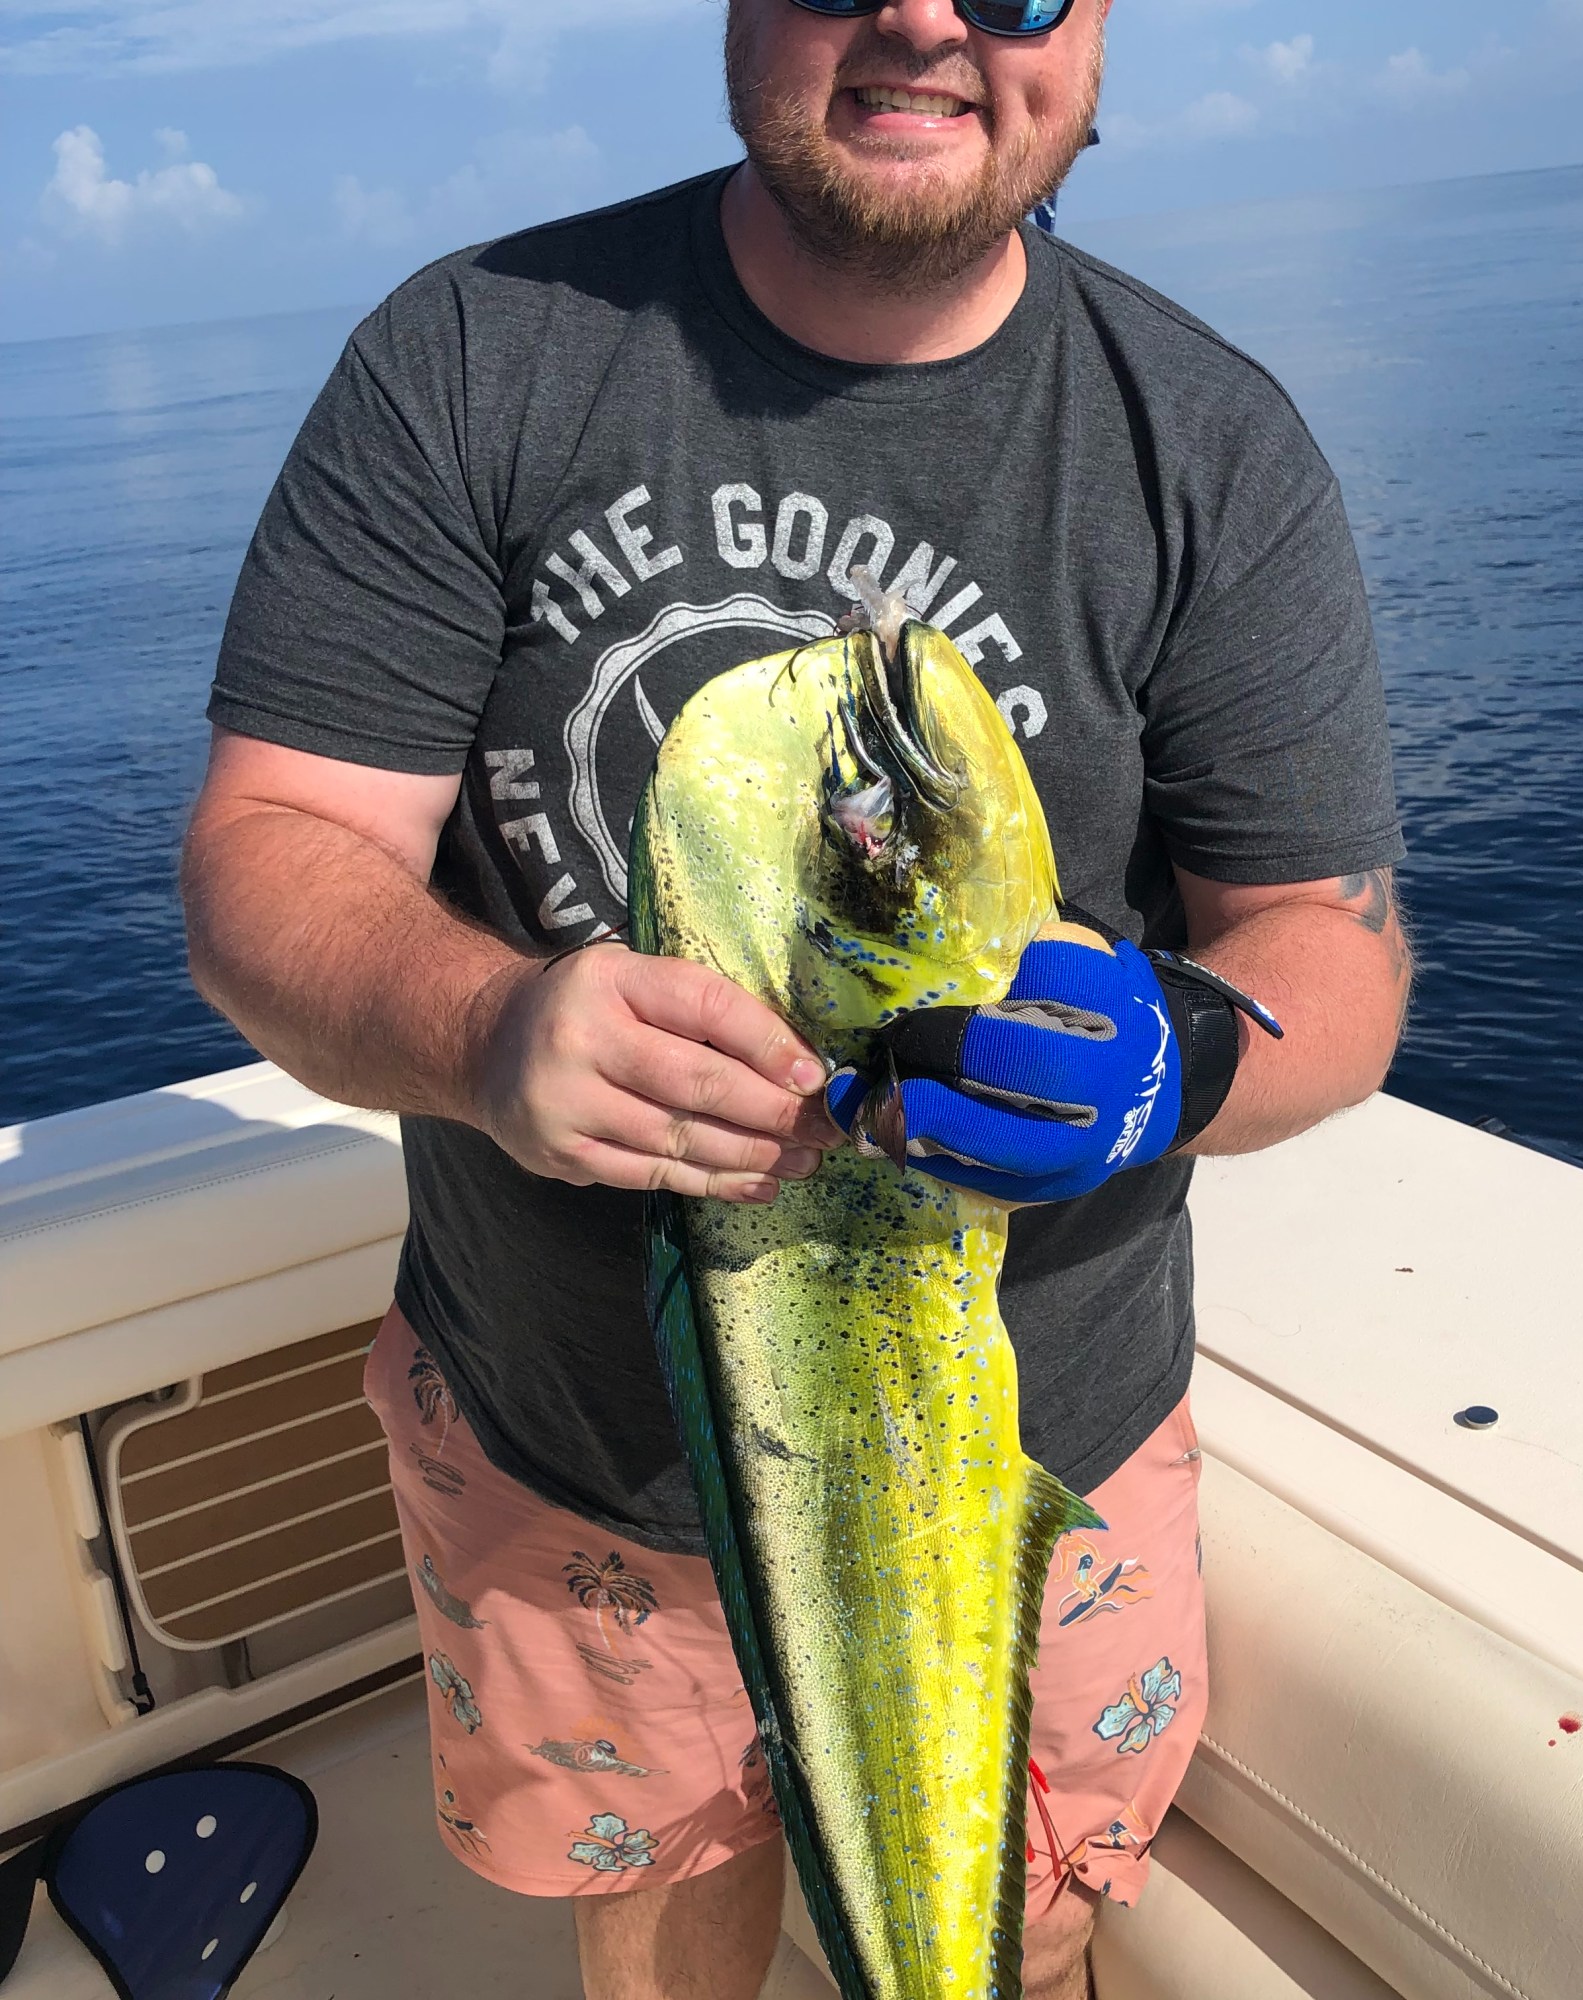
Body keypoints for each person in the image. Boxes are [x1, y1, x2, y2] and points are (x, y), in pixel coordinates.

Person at [180, 1, 1410, 1994]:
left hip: (1041, 1453)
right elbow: (270, 857)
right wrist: (486, 1027)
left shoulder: (1207, 439)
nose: (926, 15)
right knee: (662, 1949)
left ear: (1094, 42)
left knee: (1016, 1936)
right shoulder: (478, 355)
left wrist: (1177, 1056)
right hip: (570, 1459)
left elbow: (1331, 953)